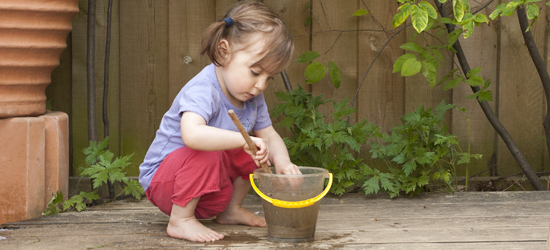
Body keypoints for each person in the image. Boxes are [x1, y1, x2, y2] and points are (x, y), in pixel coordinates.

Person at [138, 1, 301, 243]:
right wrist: (243, 139)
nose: (261, 85)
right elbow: (192, 135)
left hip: (209, 191)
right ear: (224, 52)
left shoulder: (253, 97)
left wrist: (283, 162)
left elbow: (268, 133)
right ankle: (180, 220)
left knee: (256, 150)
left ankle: (230, 210)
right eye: (255, 72)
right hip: (165, 184)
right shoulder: (204, 89)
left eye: (269, 78)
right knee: (215, 149)